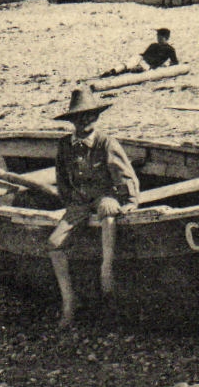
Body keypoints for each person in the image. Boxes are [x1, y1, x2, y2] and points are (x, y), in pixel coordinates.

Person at [47, 89, 140, 327]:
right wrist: (71, 203)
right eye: (80, 118)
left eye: (90, 117)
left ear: (96, 118)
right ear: (72, 121)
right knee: (54, 244)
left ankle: (106, 271)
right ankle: (69, 301)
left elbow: (125, 176)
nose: (86, 121)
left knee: (108, 212)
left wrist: (127, 203)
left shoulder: (106, 143)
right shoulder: (65, 146)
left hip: (103, 198)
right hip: (79, 203)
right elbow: (62, 180)